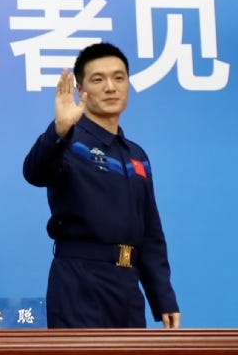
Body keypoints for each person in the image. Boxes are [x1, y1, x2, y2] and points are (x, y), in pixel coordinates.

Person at [23, 42, 179, 328]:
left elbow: (151, 234)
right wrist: (59, 130)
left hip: (127, 288)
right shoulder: (69, 142)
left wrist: (163, 297)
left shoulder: (136, 155)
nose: (110, 87)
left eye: (119, 78)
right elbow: (35, 172)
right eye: (98, 79)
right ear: (81, 91)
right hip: (79, 284)